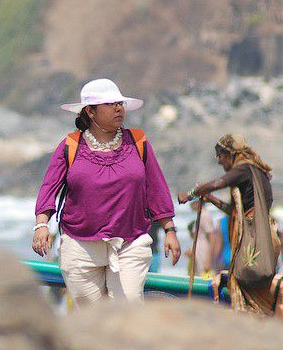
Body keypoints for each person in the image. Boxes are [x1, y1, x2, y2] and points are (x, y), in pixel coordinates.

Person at [33, 78, 181, 306]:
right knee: (92, 316)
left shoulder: (138, 142)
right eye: (110, 104)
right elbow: (48, 187)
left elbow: (156, 188)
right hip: (80, 246)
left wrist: (169, 230)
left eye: (120, 103)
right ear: (90, 112)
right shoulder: (70, 146)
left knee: (128, 306)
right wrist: (42, 225)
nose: (118, 108)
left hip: (130, 242)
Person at [178, 134, 277, 314]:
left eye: (220, 156)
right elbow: (233, 211)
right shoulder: (251, 172)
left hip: (254, 237)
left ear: (231, 154)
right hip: (259, 234)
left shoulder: (245, 169)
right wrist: (210, 199)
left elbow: (217, 183)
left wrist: (190, 193)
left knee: (247, 280)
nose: (219, 161)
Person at [187, 199, 218, 278]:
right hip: (200, 250)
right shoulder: (200, 215)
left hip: (204, 251)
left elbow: (212, 237)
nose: (190, 205)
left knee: (204, 276)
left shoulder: (205, 216)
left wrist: (209, 259)